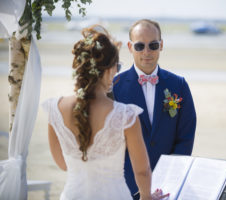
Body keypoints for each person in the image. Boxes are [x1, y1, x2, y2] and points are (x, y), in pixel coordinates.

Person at [42, 25, 168, 200]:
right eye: (117, 66)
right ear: (109, 69)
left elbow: (62, 164)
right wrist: (146, 197)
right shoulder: (126, 115)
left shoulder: (55, 109)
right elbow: (142, 171)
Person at [113, 19, 197, 199]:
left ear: (161, 45)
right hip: (126, 187)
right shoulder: (114, 87)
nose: (146, 52)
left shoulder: (179, 85)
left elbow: (186, 136)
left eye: (152, 45)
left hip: (168, 187)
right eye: (139, 46)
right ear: (129, 47)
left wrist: (170, 177)